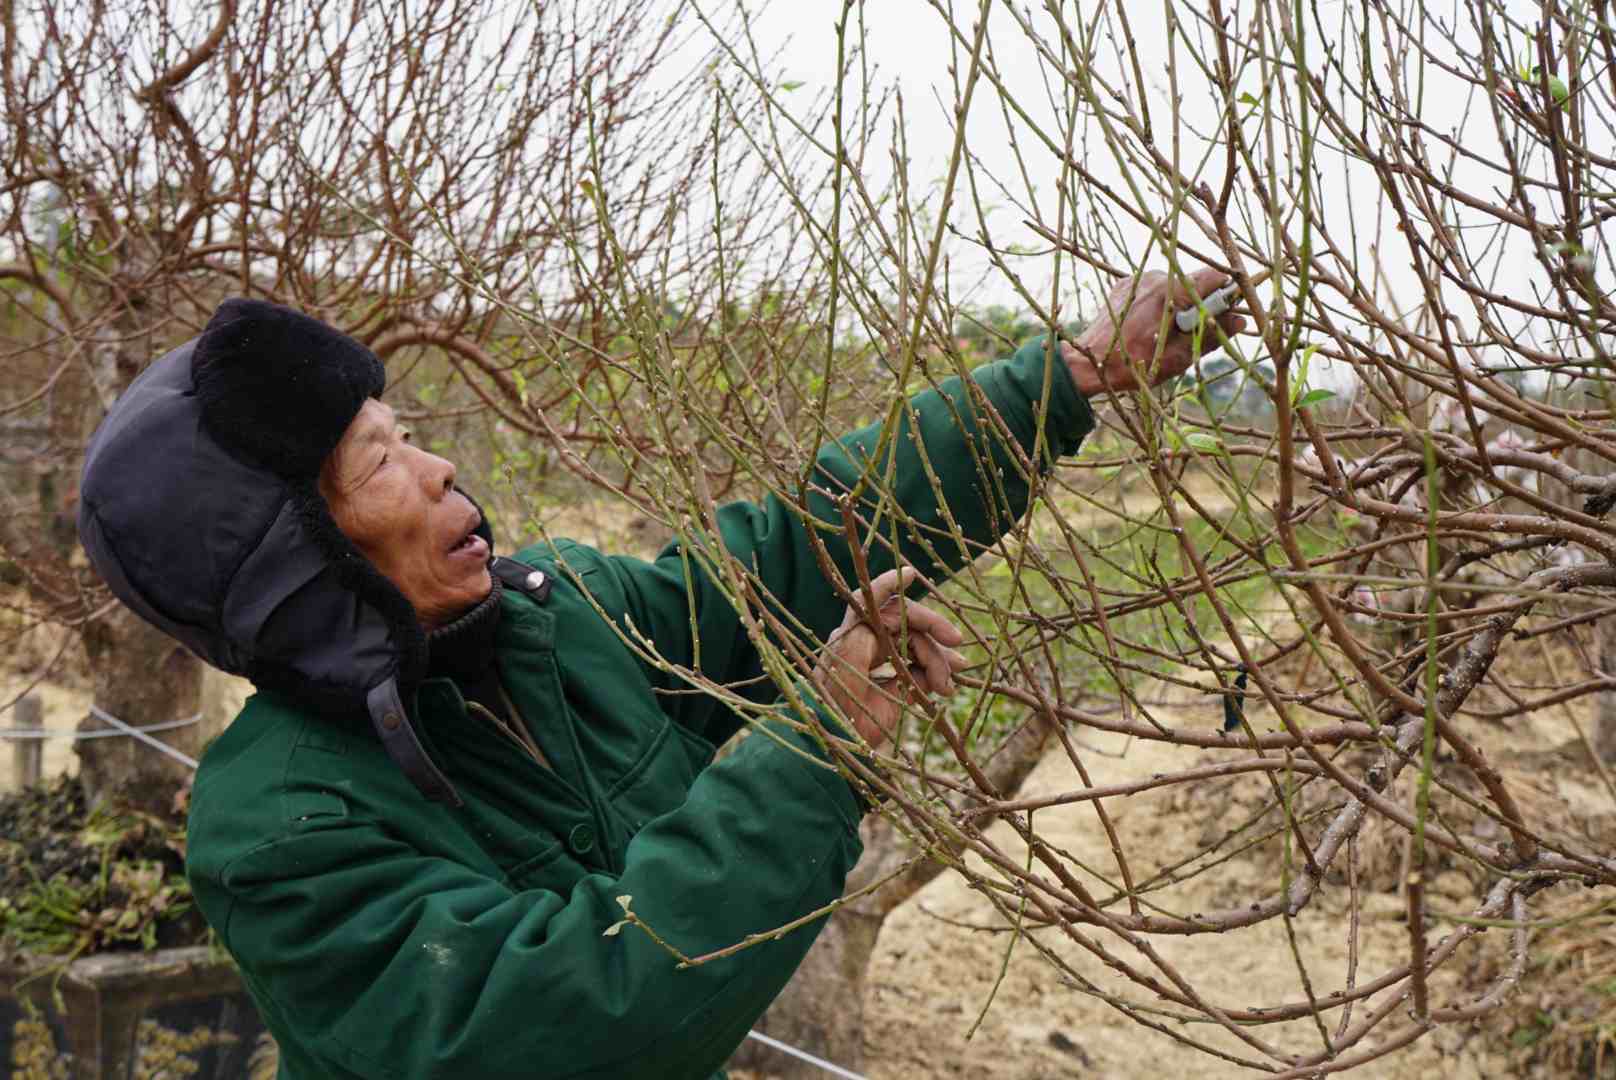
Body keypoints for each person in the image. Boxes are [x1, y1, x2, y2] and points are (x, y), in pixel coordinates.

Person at [77, 269, 1241, 1079]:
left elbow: (788, 551)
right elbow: (555, 1023)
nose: (437, 470)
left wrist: (1068, 378)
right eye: (378, 459)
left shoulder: (556, 617)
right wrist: (824, 740)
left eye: (408, 431)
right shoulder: (277, 826)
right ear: (297, 561)